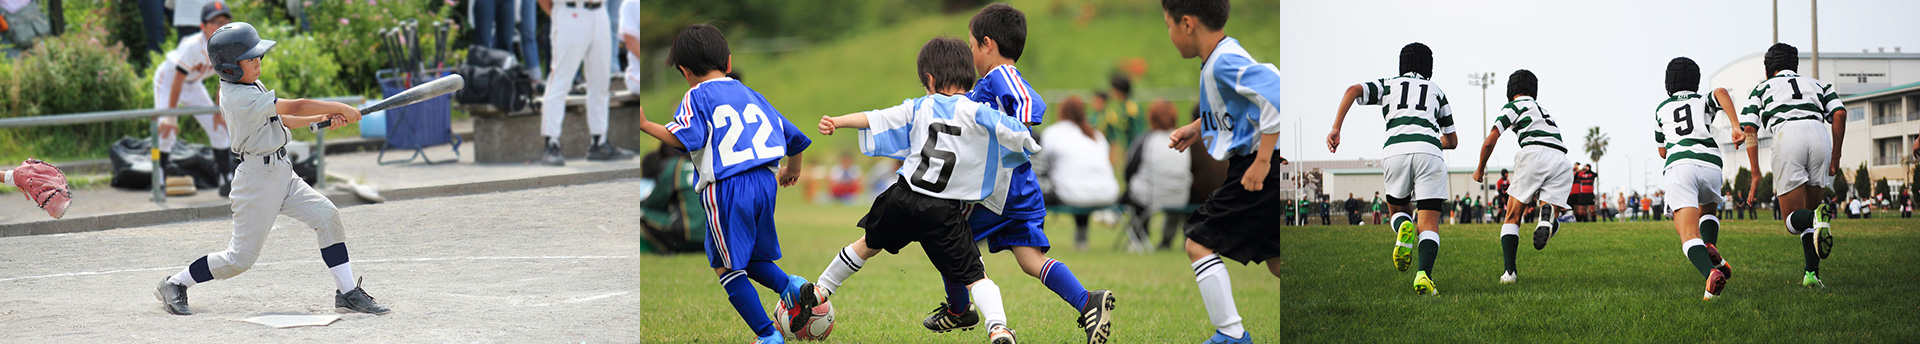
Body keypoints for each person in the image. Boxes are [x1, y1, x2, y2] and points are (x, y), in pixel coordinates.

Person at [812, 5, 1116, 343]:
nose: (971, 55)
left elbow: (1025, 102)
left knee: (948, 237)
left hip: (999, 189)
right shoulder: (981, 89)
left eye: (972, 46)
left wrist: (1022, 129)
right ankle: (1087, 301)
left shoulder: (1001, 75)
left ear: (987, 44)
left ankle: (961, 311)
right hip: (1017, 190)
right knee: (1030, 259)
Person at [814, 36, 1040, 344]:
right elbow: (1013, 132)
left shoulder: (920, 106)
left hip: (902, 196)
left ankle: (821, 288)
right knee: (975, 277)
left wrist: (838, 122)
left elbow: (875, 118)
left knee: (867, 243)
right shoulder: (976, 112)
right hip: (944, 211)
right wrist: (1027, 140)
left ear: (930, 79)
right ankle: (998, 328)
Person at [154, 22, 387, 316]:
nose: (258, 63)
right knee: (239, 260)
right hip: (256, 181)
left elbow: (282, 119)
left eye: (258, 57)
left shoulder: (247, 85)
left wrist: (326, 117)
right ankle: (175, 283)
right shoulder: (238, 96)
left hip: (281, 171)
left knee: (327, 216)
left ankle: (347, 291)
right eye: (250, 59)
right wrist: (340, 107)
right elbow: (295, 106)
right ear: (229, 68)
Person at [638, 24, 813, 344]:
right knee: (753, 257)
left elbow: (682, 138)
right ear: (729, 63)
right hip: (765, 182)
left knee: (725, 266)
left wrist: (646, 124)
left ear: (684, 71)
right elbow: (796, 140)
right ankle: (792, 287)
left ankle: (767, 335)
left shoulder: (696, 96)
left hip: (729, 186)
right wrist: (791, 170)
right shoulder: (752, 95)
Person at [1161, 0, 1282, 341]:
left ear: (1186, 24)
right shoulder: (1220, 57)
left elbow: (1276, 92)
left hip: (1257, 167)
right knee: (1276, 259)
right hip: (1261, 164)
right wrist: (1198, 127)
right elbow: (1242, 106)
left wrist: (1261, 162)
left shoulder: (1223, 61)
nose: (1169, 34)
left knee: (1198, 241)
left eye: (1167, 25)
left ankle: (1230, 334)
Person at [1334, 41, 1459, 296]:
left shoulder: (1389, 84)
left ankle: (1404, 225)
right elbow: (1453, 141)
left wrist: (1336, 128)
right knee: (1430, 223)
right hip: (1430, 154)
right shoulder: (1436, 90)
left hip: (1395, 152)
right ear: (1429, 67)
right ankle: (1424, 275)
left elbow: (1353, 90)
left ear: (1402, 64)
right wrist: (1432, 140)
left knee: (1398, 211)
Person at [1735, 43, 1845, 288]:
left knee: (1793, 220)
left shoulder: (1762, 87)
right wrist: (1835, 155)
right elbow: (1839, 114)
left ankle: (1816, 221)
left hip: (1788, 135)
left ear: (1767, 69)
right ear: (1795, 65)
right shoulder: (1818, 84)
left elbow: (1749, 128)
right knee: (1811, 216)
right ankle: (1811, 275)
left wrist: (1755, 174)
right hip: (1819, 135)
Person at [1471, 69, 1573, 284]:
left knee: (1512, 216)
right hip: (1562, 160)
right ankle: (1549, 220)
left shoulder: (1514, 106)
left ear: (1511, 89)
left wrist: (1480, 169)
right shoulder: (1545, 111)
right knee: (1549, 211)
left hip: (1533, 153)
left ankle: (1509, 273)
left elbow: (1491, 140)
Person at [1652, 57, 1738, 299]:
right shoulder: (1702, 101)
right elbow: (1720, 92)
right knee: (1708, 209)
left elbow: (1661, 151)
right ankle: (1711, 244)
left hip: (1680, 164)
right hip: (1711, 162)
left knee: (1688, 234)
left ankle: (1710, 273)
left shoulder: (1661, 108)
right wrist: (1735, 126)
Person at [153, 1, 236, 197]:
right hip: (169, 80)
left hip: (193, 84)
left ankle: (227, 178)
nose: (220, 25)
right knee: (166, 130)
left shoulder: (227, 46)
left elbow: (223, 79)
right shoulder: (192, 45)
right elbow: (177, 79)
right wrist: (171, 116)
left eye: (224, 21)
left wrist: (219, 111)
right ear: (203, 26)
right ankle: (159, 176)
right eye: (214, 21)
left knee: (218, 128)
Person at [537, 0, 634, 166]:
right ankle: (551, 142)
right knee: (560, 80)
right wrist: (559, 15)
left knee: (600, 81)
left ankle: (599, 140)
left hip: (599, 12)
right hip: (569, 10)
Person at [1042, 96, 1121, 250]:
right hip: (1107, 194)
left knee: (1065, 186)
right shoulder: (1096, 135)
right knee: (1080, 184)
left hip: (1072, 195)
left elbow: (1044, 164)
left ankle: (1028, 239)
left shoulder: (1053, 133)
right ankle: (1081, 238)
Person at [1125, 100, 1194, 249]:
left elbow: (1130, 169)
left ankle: (1139, 239)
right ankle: (1167, 239)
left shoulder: (1146, 139)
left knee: (1136, 190)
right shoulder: (1183, 141)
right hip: (1180, 198)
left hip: (1151, 198)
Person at [641, 148, 707, 254]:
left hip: (686, 235)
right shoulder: (710, 162)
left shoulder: (676, 166)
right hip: (717, 235)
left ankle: (664, 250)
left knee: (640, 213)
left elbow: (655, 202)